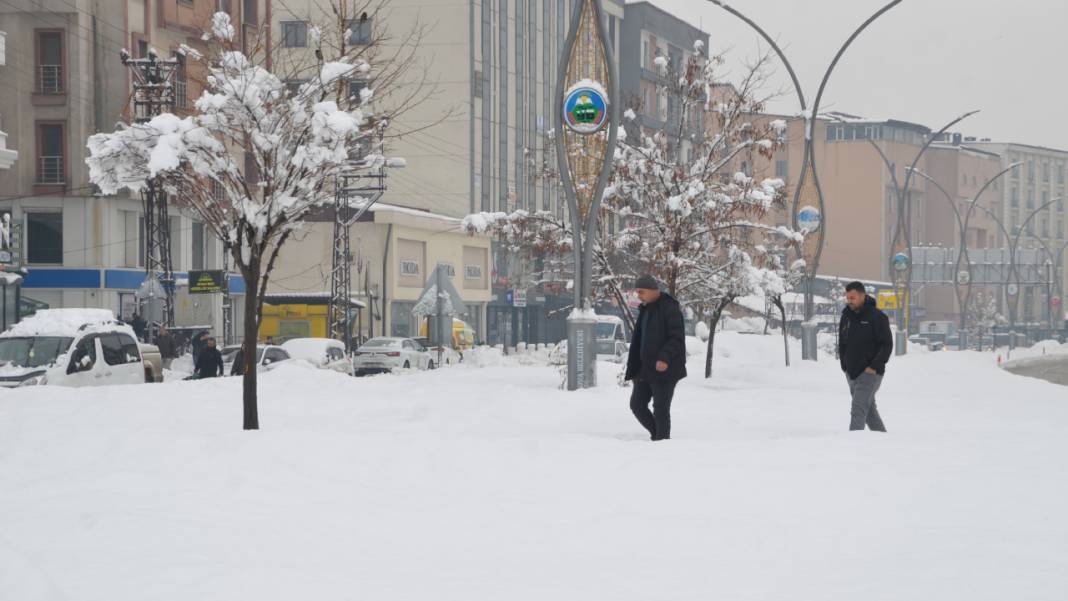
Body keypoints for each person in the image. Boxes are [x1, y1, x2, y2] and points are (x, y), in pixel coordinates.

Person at [624, 275, 687, 441]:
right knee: (637, 405)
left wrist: (664, 358)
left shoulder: (670, 308)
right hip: (645, 369)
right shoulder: (645, 309)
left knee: (660, 410)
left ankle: (662, 443)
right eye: (637, 292)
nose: (638, 295)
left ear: (654, 290)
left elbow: (676, 338)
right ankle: (657, 437)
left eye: (641, 291)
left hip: (666, 369)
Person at [838, 281, 894, 432]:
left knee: (858, 408)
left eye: (853, 298)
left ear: (862, 296)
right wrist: (844, 365)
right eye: (848, 298)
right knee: (869, 412)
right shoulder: (846, 317)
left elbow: (886, 344)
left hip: (870, 373)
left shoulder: (877, 317)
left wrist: (874, 366)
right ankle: (882, 441)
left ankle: (854, 444)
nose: (849, 301)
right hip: (852, 373)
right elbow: (842, 343)